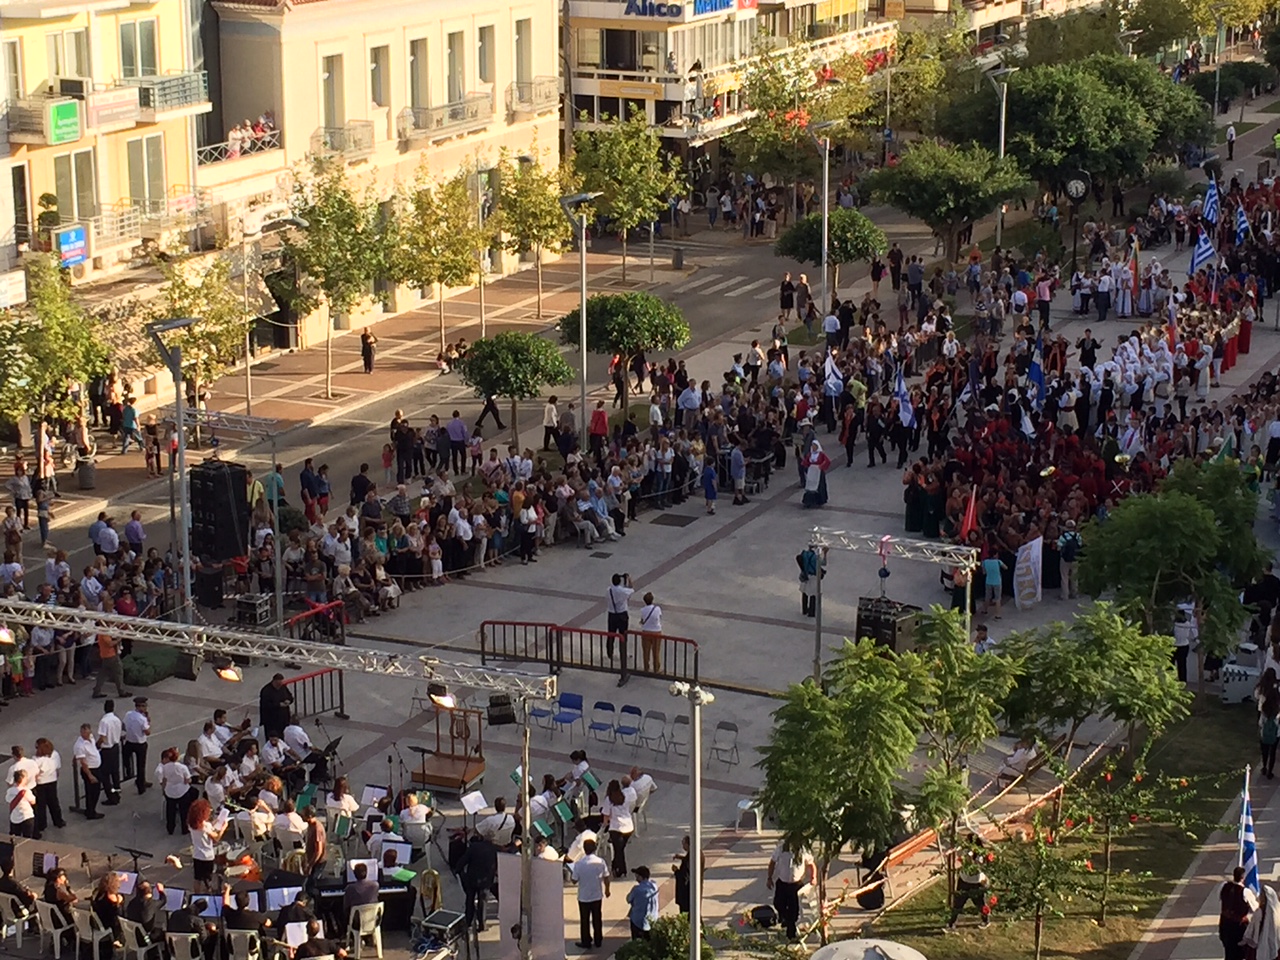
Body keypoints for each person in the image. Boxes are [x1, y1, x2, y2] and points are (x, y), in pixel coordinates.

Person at [767, 839, 815, 941]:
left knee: (793, 911)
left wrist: (813, 877)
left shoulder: (803, 850)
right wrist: (769, 878)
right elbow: (772, 862)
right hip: (782, 883)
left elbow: (811, 864)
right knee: (778, 903)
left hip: (796, 885)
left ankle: (791, 934)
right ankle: (785, 918)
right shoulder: (781, 848)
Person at [568, 838, 610, 949]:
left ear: (584, 849)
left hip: (584, 896)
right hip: (597, 895)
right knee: (597, 918)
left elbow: (574, 880)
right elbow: (606, 877)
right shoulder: (600, 862)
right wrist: (607, 890)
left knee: (584, 920)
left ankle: (586, 941)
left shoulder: (579, 864)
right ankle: (598, 940)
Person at [946, 837, 992, 931]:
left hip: (976, 883)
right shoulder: (965, 850)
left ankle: (986, 920)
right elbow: (959, 854)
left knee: (980, 903)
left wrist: (970, 858)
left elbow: (975, 869)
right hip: (963, 880)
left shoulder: (980, 855)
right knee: (958, 903)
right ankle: (951, 924)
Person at [458, 832, 499, 932]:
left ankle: (468, 921)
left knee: (470, 900)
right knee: (482, 903)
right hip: (486, 881)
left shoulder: (474, 847)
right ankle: (482, 925)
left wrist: (459, 871)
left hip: (472, 878)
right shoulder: (495, 850)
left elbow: (463, 860)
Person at [188, 799, 228, 892]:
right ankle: (208, 892)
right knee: (207, 878)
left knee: (197, 878)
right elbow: (216, 838)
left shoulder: (192, 824)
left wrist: (215, 821)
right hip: (207, 856)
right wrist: (223, 828)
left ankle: (196, 894)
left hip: (197, 854)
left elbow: (208, 827)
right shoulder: (205, 826)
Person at [601, 780, 635, 877]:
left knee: (618, 850)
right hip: (628, 827)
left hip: (617, 828)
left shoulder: (609, 799)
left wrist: (604, 826)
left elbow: (606, 815)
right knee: (620, 849)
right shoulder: (625, 796)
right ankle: (617, 867)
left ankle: (620, 869)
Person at [1220, 866, 1256, 960]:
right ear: (1243, 878)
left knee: (1229, 951)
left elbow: (1220, 898)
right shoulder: (1245, 892)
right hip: (1238, 927)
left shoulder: (1224, 886)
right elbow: (1255, 908)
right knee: (1239, 953)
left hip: (1225, 924)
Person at [73, 723, 105, 820]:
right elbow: (83, 763)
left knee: (96, 791)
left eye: (86, 733)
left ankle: (91, 810)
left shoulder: (91, 737)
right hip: (90, 770)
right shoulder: (80, 745)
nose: (85, 735)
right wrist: (90, 775)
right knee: (92, 792)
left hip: (96, 768)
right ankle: (91, 812)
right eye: (83, 733)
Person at [97, 699, 123, 806]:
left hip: (107, 750)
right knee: (115, 773)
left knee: (105, 775)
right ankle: (117, 793)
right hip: (115, 747)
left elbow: (102, 738)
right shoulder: (117, 719)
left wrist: (97, 745)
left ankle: (111, 797)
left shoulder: (104, 721)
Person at [1244, 881, 1280, 960]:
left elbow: (1253, 931)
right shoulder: (1278, 911)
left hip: (1259, 946)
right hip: (1276, 947)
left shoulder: (1259, 912)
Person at [123, 697, 151, 794]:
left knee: (126, 759)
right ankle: (141, 785)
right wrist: (148, 721)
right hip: (140, 744)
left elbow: (124, 726)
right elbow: (147, 732)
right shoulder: (142, 719)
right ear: (141, 707)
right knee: (141, 766)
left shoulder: (128, 714)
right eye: (144, 706)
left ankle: (129, 772)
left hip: (129, 742)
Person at [626, 866, 659, 940]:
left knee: (637, 942)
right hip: (652, 920)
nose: (636, 878)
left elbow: (628, 899)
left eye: (637, 876)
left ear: (641, 877)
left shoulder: (637, 889)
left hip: (638, 921)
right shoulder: (654, 886)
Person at [606, 573, 634, 661]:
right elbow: (631, 589)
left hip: (612, 614)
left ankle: (609, 653)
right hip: (622, 614)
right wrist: (629, 579)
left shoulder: (608, 590)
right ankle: (623, 653)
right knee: (623, 635)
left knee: (611, 634)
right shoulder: (623, 591)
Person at [260, 673, 295, 739]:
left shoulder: (283, 687)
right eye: (278, 684)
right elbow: (265, 705)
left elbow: (290, 696)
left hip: (283, 719)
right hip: (271, 720)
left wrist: (289, 701)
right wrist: (278, 705)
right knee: (273, 737)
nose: (279, 686)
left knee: (283, 736)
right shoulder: (266, 691)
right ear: (274, 681)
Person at [637, 593, 663, 673]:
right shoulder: (657, 609)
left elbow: (642, 620)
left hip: (646, 632)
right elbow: (659, 617)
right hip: (656, 632)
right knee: (656, 651)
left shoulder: (643, 610)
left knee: (646, 651)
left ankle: (646, 668)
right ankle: (656, 668)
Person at [7, 767, 35, 837]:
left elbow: (8, 799)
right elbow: (33, 802)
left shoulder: (10, 791)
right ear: (23, 779)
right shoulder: (26, 791)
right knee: (27, 837)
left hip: (15, 817)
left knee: (16, 837)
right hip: (26, 816)